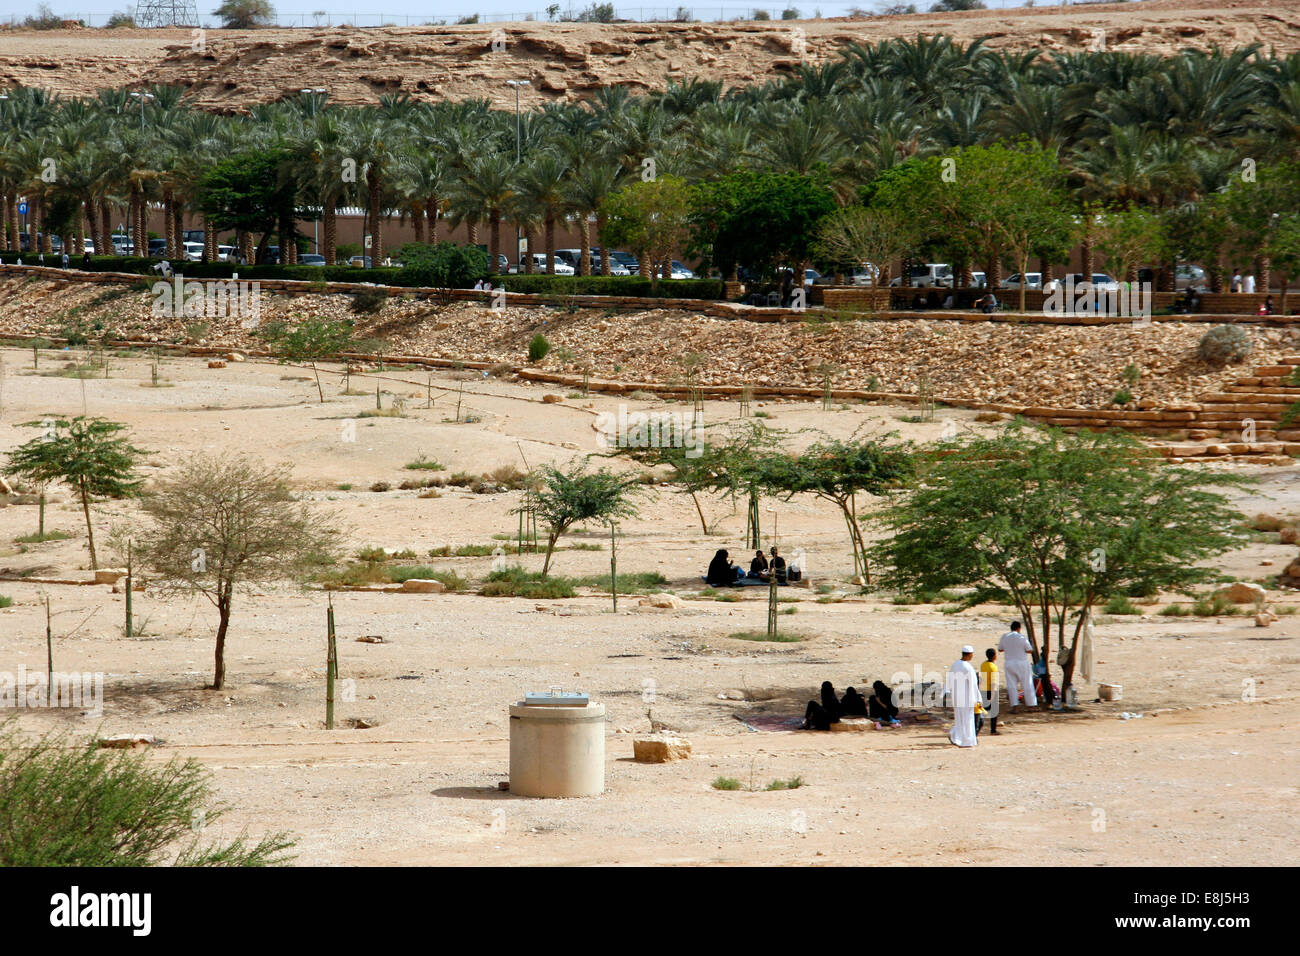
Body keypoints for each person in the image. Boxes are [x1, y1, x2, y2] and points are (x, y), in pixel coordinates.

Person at [999, 620, 1037, 713]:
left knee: (1011, 685)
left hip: (1009, 663)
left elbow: (1000, 649)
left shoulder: (1004, 637)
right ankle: (1031, 706)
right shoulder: (1022, 637)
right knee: (1027, 683)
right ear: (1019, 628)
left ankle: (1015, 707)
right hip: (1022, 662)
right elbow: (1029, 650)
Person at [946, 645, 980, 748]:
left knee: (959, 719)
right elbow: (973, 685)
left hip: (957, 697)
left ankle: (956, 736)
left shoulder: (955, 664)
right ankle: (966, 741)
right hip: (967, 698)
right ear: (970, 655)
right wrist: (978, 698)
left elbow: (949, 680)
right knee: (968, 719)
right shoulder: (968, 667)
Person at [979, 648, 1000, 735]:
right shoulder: (993, 667)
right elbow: (993, 682)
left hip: (983, 689)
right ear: (994, 656)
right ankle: (993, 730)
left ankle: (977, 727)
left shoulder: (983, 664)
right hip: (990, 690)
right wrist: (992, 694)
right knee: (994, 712)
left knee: (983, 710)